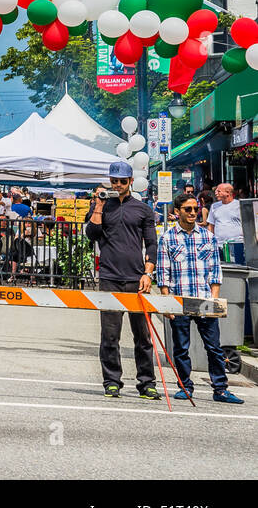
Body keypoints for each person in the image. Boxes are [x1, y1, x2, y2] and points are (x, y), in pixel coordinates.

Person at [157, 193, 244, 404]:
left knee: (213, 346)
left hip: (204, 299)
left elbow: (215, 272)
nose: (194, 213)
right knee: (181, 347)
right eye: (188, 209)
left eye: (195, 209)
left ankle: (220, 389)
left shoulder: (208, 237)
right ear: (177, 212)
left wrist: (214, 300)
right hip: (180, 300)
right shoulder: (168, 238)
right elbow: (163, 274)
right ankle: (185, 387)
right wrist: (168, 303)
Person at [85, 160, 160, 399]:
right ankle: (112, 381)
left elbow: (151, 243)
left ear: (130, 182)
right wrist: (98, 205)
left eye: (122, 181)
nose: (117, 185)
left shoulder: (143, 209)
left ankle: (147, 383)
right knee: (109, 335)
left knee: (143, 336)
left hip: (136, 278)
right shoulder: (101, 206)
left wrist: (148, 273)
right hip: (109, 277)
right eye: (114, 181)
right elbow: (92, 234)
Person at [206, 182, 243, 264]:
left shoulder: (239, 205)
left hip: (237, 246)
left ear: (227, 193)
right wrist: (210, 242)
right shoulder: (214, 206)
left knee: (238, 270)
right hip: (219, 246)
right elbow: (211, 225)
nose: (215, 193)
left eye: (218, 191)